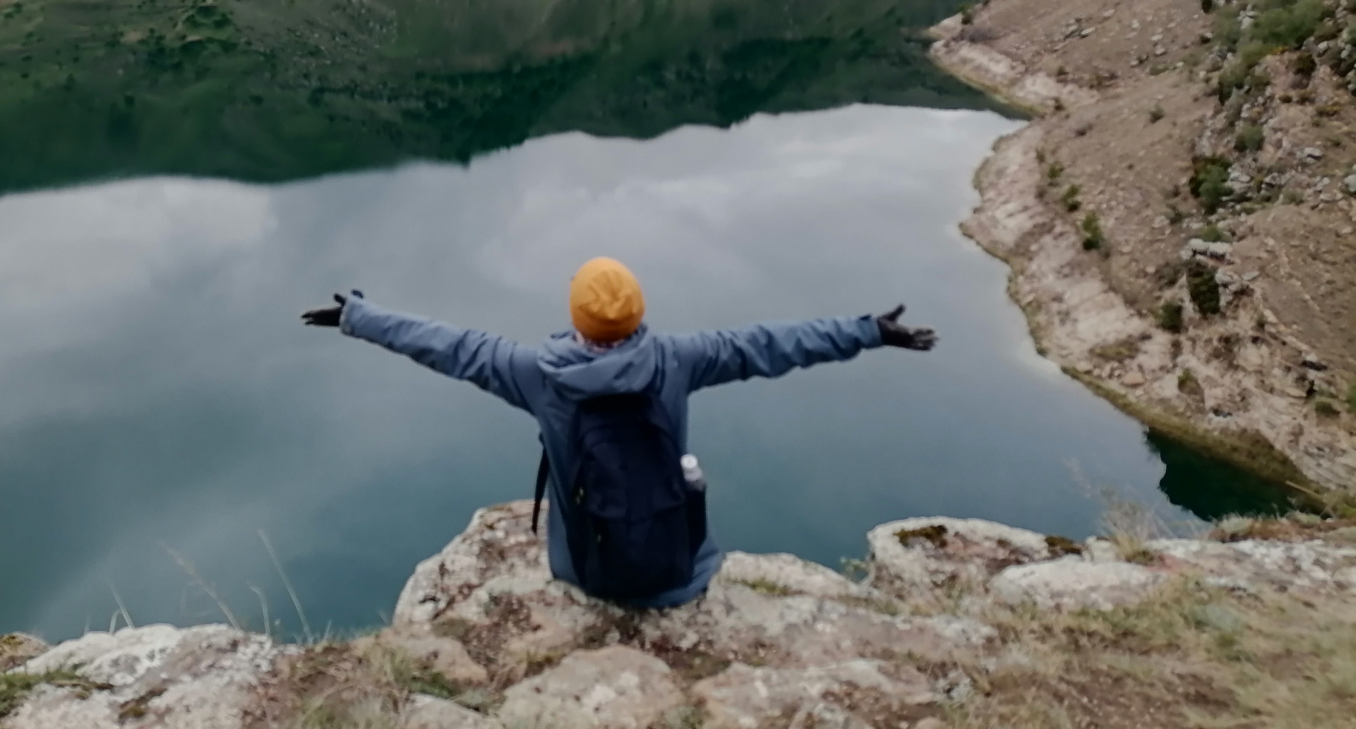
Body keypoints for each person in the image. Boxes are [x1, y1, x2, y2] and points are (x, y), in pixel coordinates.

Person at [302, 256, 936, 609]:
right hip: (680, 573)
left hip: (589, 575)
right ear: (639, 313)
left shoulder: (534, 373)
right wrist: (868, 330)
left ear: (575, 317)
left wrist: (359, 315)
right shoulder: (680, 359)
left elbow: (449, 346)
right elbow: (770, 345)